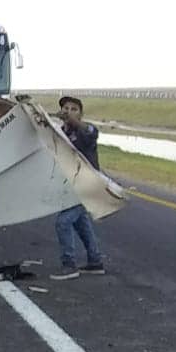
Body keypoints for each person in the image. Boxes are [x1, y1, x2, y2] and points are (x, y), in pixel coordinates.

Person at [50, 96, 106, 280]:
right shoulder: (62, 133)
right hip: (73, 186)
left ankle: (69, 265)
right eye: (65, 108)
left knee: (63, 222)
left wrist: (73, 121)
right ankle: (95, 261)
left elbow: (91, 132)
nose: (68, 111)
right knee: (81, 223)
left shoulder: (86, 131)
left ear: (81, 114)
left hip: (88, 185)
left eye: (74, 109)